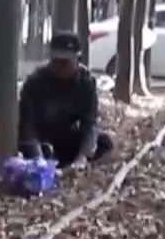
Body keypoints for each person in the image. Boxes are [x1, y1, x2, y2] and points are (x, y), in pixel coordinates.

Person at [19, 31, 115, 168]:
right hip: (41, 139)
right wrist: (38, 158)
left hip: (67, 137)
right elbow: (27, 127)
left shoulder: (86, 82)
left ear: (77, 60)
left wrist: (83, 156)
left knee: (104, 143)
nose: (60, 67)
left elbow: (89, 123)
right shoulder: (35, 82)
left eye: (65, 62)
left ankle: (74, 165)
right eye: (56, 61)